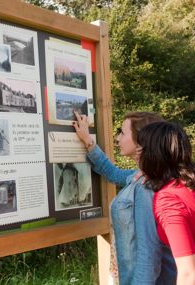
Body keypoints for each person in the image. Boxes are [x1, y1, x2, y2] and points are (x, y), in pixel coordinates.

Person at [73, 111, 176, 284]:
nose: (117, 138)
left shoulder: (146, 187)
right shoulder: (139, 177)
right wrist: (88, 142)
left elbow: (148, 256)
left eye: (122, 132)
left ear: (141, 142)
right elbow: (113, 173)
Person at [137, 121, 195, 285]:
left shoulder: (169, 200)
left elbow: (188, 273)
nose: (137, 154)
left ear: (152, 154)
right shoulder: (187, 184)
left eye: (141, 149)